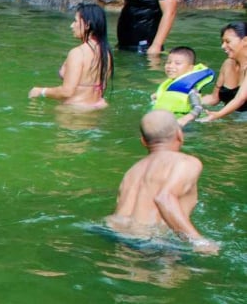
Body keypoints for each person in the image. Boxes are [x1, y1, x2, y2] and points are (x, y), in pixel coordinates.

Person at [106, 110, 218, 253]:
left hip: (114, 235)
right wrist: (200, 242)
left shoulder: (132, 170)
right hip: (152, 243)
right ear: (179, 134)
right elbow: (164, 198)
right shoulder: (186, 162)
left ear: (143, 141)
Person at [28, 2, 113, 108]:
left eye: (75, 21)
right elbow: (102, 87)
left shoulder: (78, 53)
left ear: (87, 25)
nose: (71, 25)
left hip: (74, 111)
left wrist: (41, 91)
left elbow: (66, 92)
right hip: (98, 107)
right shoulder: (106, 53)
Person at [151, 46, 216, 122]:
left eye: (177, 63)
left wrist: (184, 120)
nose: (170, 66)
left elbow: (198, 108)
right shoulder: (169, 85)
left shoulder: (191, 89)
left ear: (190, 68)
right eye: (168, 62)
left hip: (184, 125)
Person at [201, 22, 247, 122]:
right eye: (222, 42)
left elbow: (240, 99)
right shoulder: (228, 64)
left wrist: (218, 115)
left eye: (227, 41)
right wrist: (185, 98)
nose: (223, 46)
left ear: (245, 41)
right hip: (233, 122)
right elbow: (214, 99)